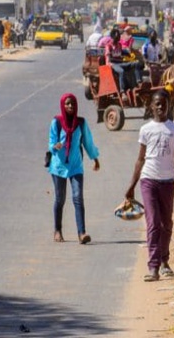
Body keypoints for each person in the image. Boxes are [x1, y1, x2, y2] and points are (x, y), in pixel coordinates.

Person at [125, 89, 174, 282]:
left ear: (169, 106)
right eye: (157, 104)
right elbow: (140, 159)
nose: (161, 107)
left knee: (166, 223)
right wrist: (131, 186)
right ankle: (153, 267)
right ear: (152, 106)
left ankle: (164, 260)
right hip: (148, 180)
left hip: (168, 182)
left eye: (164, 104)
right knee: (153, 224)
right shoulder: (146, 130)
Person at [47, 93, 100, 244]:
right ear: (63, 105)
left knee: (78, 198)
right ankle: (57, 230)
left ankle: (82, 233)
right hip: (59, 167)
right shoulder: (56, 122)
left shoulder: (81, 123)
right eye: (67, 104)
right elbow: (51, 142)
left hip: (76, 166)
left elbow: (88, 142)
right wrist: (54, 146)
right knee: (60, 199)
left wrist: (95, 158)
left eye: (72, 104)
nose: (70, 106)